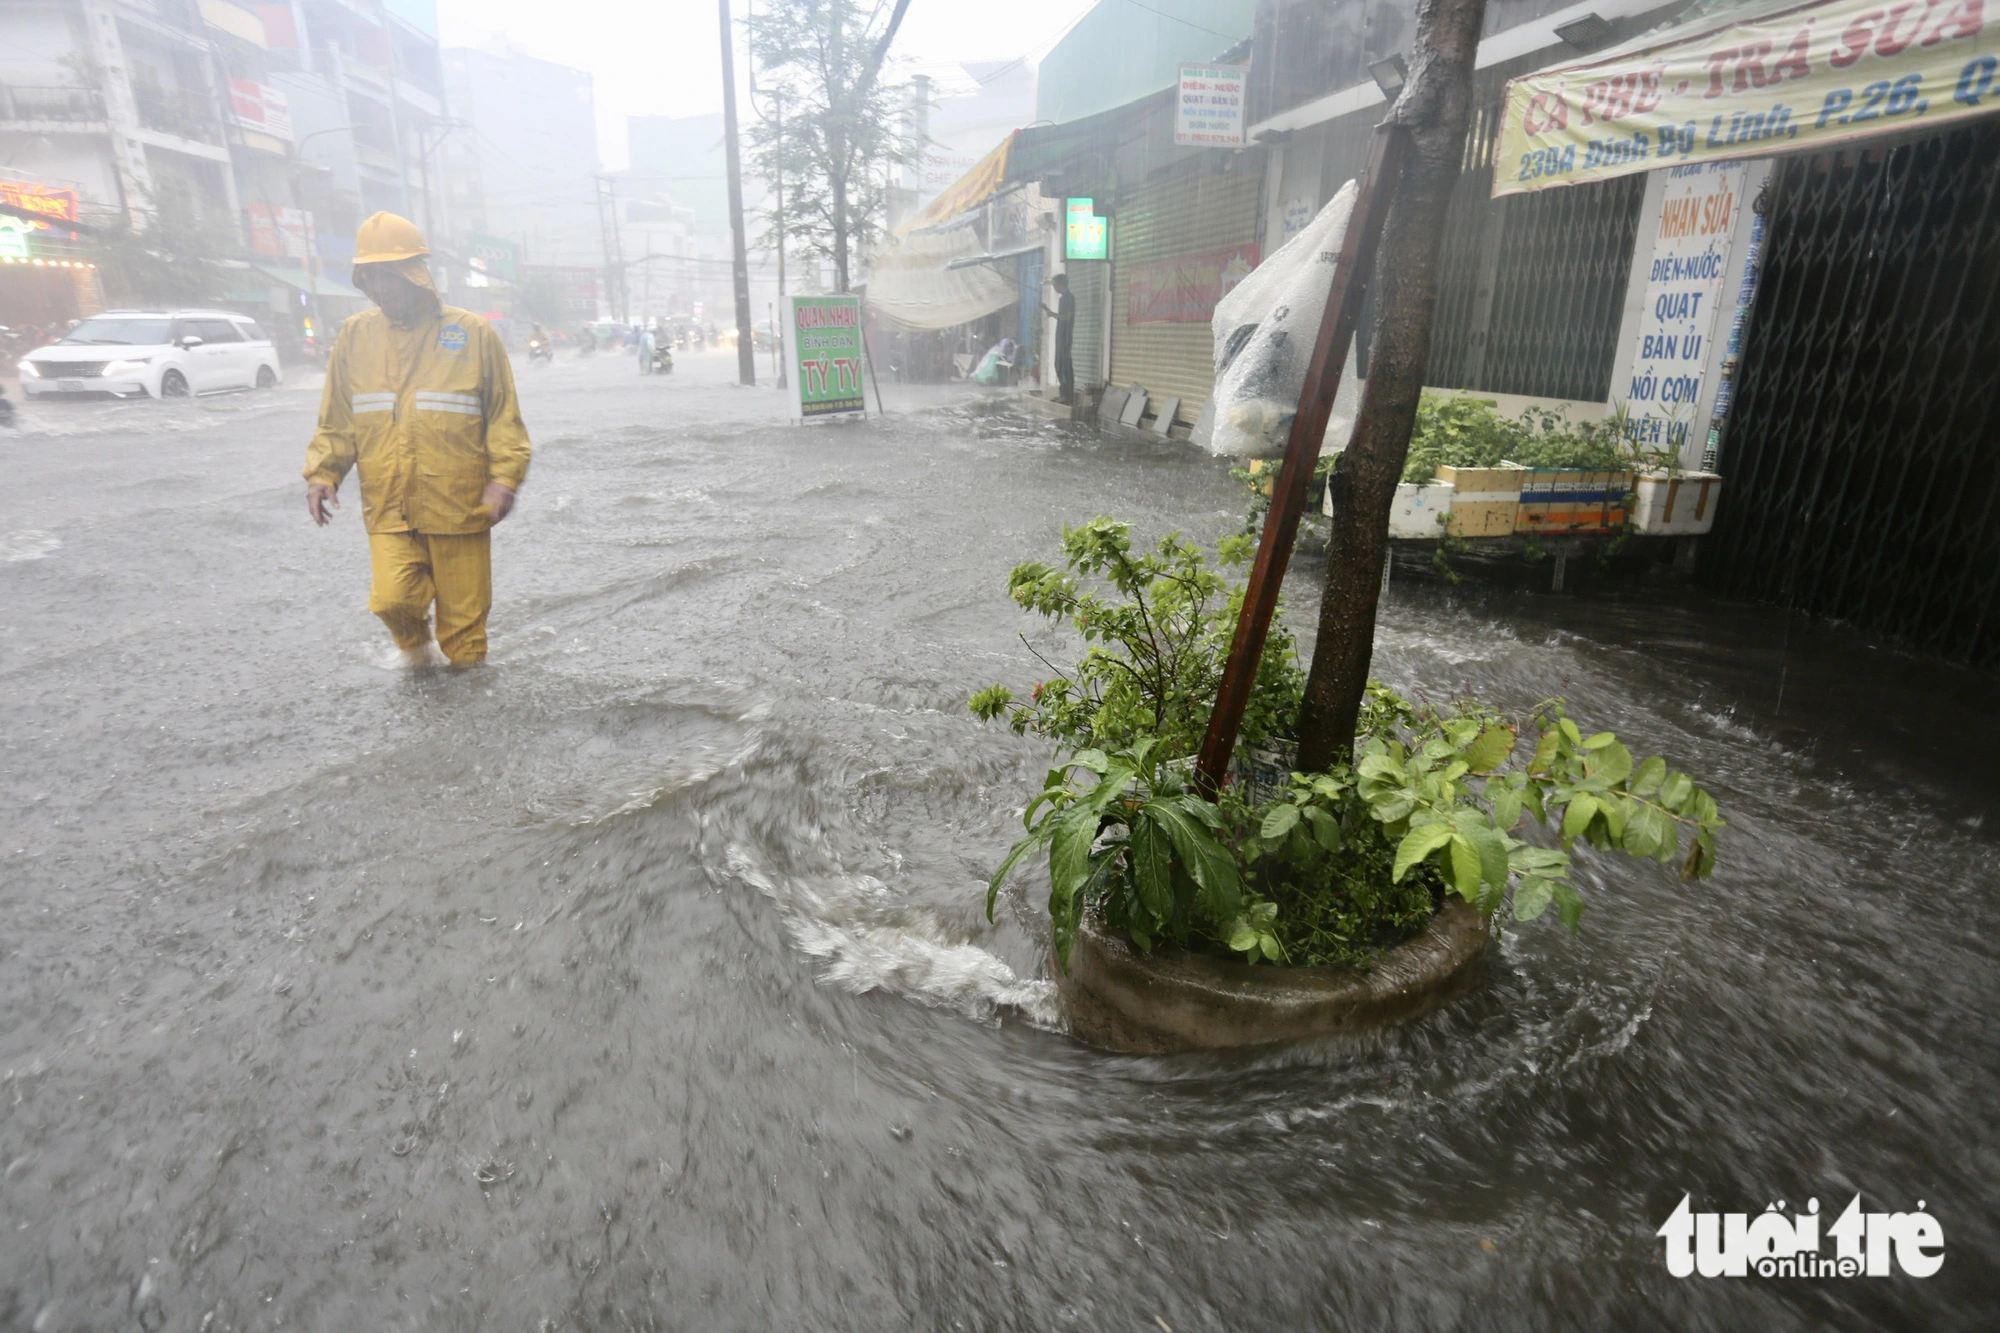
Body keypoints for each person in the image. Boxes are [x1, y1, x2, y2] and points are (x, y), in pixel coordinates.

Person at [302, 212, 531, 668]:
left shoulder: (473, 333)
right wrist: (323, 472)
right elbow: (338, 417)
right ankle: (418, 660)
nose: (382, 287)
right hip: (389, 504)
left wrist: (504, 479)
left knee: (466, 639)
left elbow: (504, 416)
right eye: (371, 277)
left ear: (416, 274)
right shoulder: (355, 336)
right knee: (391, 600)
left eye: (390, 275)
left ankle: (468, 721)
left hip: (459, 507)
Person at [1043, 273, 1076, 405]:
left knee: (1065, 365)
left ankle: (1067, 395)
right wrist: (1048, 311)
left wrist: (1052, 314)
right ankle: (1063, 393)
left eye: (1055, 284)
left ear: (1061, 284)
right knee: (1059, 364)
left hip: (1065, 337)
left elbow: (1067, 317)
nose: (1054, 287)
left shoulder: (1069, 298)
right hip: (1060, 335)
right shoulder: (1063, 298)